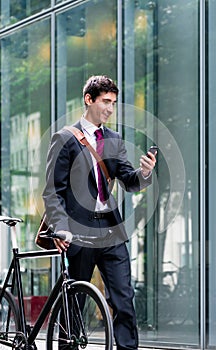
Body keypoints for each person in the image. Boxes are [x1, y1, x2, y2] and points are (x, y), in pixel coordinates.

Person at [42, 75, 157, 350]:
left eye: (113, 103)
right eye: (105, 101)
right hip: (77, 232)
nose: (109, 108)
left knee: (124, 299)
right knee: (74, 306)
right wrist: (60, 227)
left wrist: (144, 173)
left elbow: (128, 180)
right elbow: (52, 191)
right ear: (89, 99)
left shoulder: (113, 139)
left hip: (110, 230)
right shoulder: (65, 139)